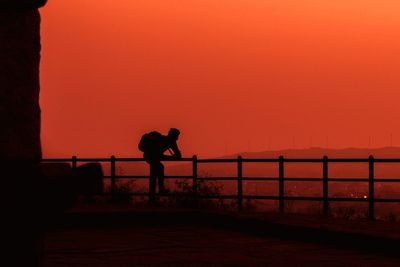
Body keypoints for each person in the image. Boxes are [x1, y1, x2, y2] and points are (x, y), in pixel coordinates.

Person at [139, 128, 182, 203]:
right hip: (150, 156)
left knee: (155, 173)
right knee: (159, 168)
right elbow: (158, 155)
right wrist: (172, 157)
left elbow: (177, 155)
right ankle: (160, 190)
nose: (177, 138)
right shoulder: (163, 140)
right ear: (173, 135)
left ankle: (154, 196)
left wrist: (175, 155)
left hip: (150, 157)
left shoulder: (170, 141)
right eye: (177, 136)